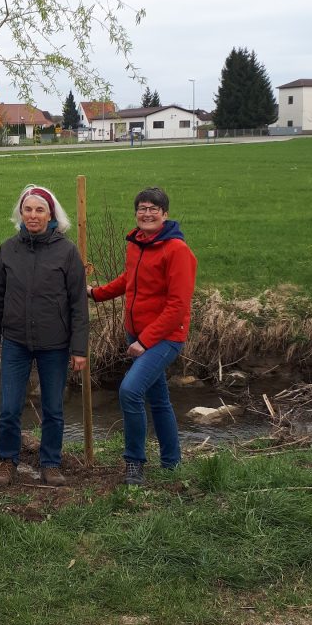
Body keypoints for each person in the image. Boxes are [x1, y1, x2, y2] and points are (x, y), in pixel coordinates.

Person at [88, 187, 196, 486]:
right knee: (159, 400)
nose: (147, 213)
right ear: (136, 212)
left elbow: (178, 305)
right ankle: (172, 462)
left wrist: (146, 341)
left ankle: (134, 462)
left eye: (154, 209)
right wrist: (97, 294)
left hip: (164, 338)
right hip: (135, 333)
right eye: (142, 208)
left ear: (165, 214)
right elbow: (129, 280)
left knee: (130, 391)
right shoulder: (136, 243)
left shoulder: (177, 251)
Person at [0, 185, 89, 487]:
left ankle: (51, 463)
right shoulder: (8, 249)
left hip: (54, 344)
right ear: (21, 212)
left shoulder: (66, 252)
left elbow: (78, 304)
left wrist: (78, 348)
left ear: (50, 214)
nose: (32, 215)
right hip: (15, 340)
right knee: (8, 407)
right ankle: (6, 462)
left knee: (53, 408)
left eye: (39, 210)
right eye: (27, 209)